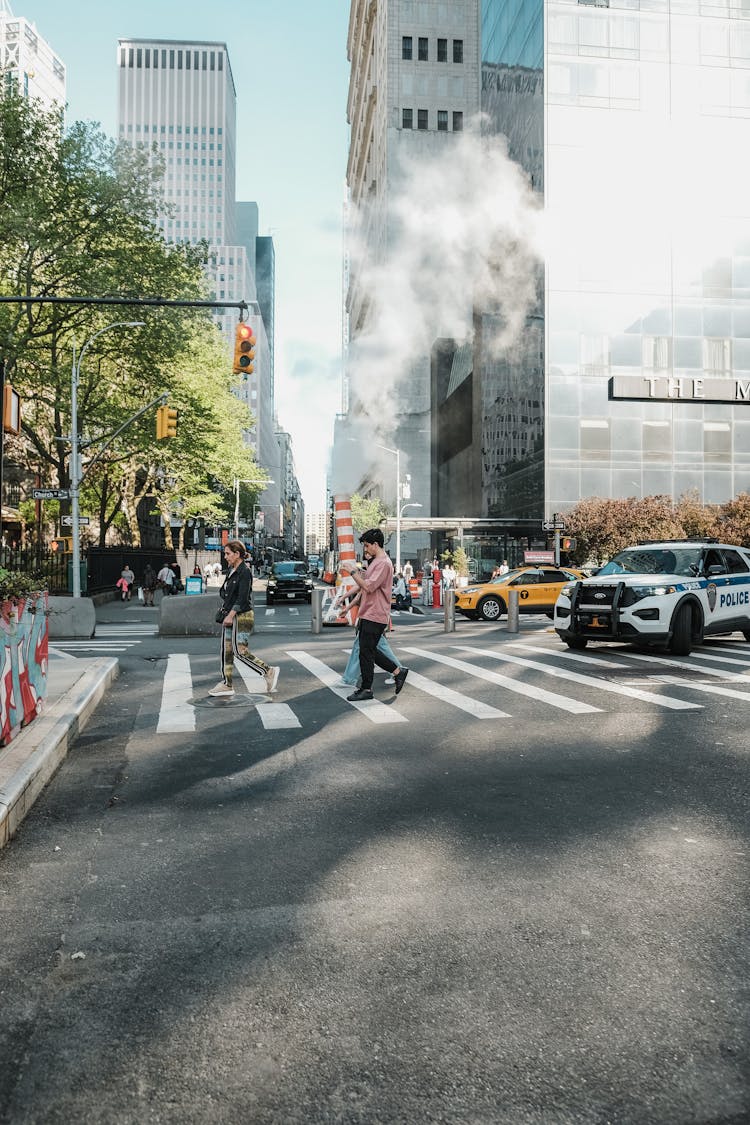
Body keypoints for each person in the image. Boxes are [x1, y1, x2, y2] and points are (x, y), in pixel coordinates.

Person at [339, 528, 408, 702]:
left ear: (376, 545)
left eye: (367, 546)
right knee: (368, 651)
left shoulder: (384, 563)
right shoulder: (377, 562)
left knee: (366, 652)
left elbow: (369, 587)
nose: (365, 549)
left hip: (375, 613)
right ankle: (398, 672)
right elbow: (365, 584)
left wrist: (353, 572)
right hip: (369, 612)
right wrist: (356, 574)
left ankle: (367, 688)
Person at [209, 539, 279, 698]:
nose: (225, 556)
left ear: (237, 554)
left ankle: (267, 671)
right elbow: (227, 593)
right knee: (226, 651)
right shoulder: (232, 570)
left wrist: (231, 615)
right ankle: (226, 684)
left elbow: (242, 598)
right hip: (230, 615)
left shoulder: (244, 571)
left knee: (239, 651)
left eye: (227, 553)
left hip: (241, 616)